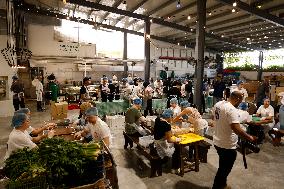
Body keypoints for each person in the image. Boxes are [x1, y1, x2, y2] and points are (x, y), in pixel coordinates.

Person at [212, 91, 257, 189]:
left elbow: (214, 118)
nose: (240, 103)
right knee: (223, 171)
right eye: (240, 101)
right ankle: (216, 187)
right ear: (237, 99)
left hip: (217, 141)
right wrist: (249, 137)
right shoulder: (231, 109)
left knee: (222, 165)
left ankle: (223, 185)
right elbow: (236, 128)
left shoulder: (218, 104)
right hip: (227, 145)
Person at [153, 109, 181, 174]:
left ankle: (165, 161)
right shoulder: (166, 125)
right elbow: (169, 140)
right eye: (172, 116)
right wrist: (178, 139)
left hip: (156, 142)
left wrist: (170, 131)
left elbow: (163, 132)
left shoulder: (158, 119)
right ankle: (175, 168)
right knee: (177, 148)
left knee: (175, 146)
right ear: (170, 116)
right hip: (161, 145)